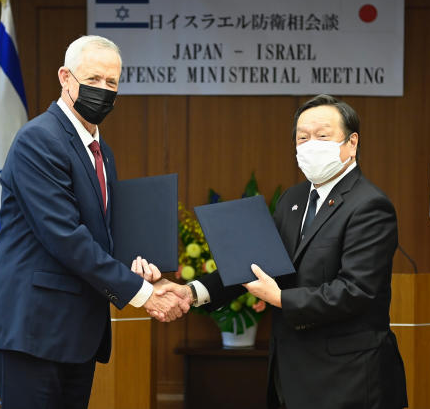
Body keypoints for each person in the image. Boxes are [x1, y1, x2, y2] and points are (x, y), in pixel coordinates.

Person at [0, 35, 188, 409]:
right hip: (33, 329)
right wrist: (144, 296)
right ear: (65, 77)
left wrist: (137, 269)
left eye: (112, 83)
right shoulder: (39, 140)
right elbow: (65, 237)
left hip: (74, 333)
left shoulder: (101, 151)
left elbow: (100, 237)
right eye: (93, 80)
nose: (103, 90)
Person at [159, 94, 408, 409]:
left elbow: (356, 291)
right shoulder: (294, 198)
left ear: (351, 142)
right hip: (291, 375)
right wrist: (191, 293)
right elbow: (256, 264)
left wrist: (279, 298)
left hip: (350, 380)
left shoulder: (370, 205)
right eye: (302, 137)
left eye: (322, 136)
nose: (310, 144)